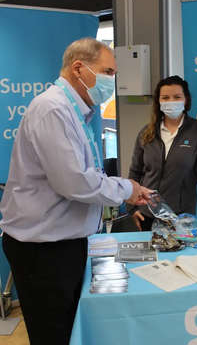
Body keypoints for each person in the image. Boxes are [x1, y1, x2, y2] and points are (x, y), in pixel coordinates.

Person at [0, 37, 151, 344]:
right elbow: (74, 182)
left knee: (68, 330)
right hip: (43, 251)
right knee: (53, 334)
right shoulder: (52, 109)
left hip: (63, 243)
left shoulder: (75, 111)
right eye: (107, 72)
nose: (112, 81)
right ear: (79, 68)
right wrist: (127, 189)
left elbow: (84, 174)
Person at [128, 75, 197, 230]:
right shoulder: (146, 133)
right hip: (146, 214)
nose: (171, 101)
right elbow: (135, 172)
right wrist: (132, 208)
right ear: (159, 101)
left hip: (181, 217)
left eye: (177, 97)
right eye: (165, 97)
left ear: (186, 100)